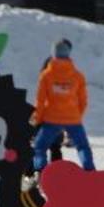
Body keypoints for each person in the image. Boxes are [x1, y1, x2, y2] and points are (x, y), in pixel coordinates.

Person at [30, 38, 93, 172]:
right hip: (73, 119)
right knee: (82, 147)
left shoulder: (46, 75)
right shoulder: (77, 76)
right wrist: (77, 116)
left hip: (52, 119)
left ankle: (41, 172)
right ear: (68, 53)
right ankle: (90, 172)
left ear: (53, 54)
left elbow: (40, 101)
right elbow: (83, 101)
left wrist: (37, 120)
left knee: (40, 147)